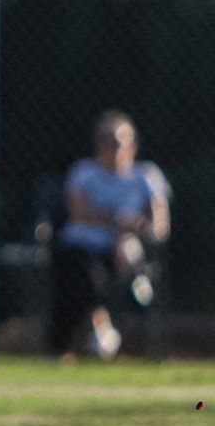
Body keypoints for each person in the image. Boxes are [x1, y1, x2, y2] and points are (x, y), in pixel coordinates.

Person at [51, 110, 170, 361]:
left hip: (124, 252)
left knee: (94, 273)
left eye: (117, 140)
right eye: (104, 140)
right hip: (81, 248)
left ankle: (75, 342)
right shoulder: (83, 172)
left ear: (132, 145)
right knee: (81, 268)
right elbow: (78, 214)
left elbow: (159, 225)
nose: (111, 147)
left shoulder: (145, 176)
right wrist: (120, 220)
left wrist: (129, 232)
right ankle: (100, 324)